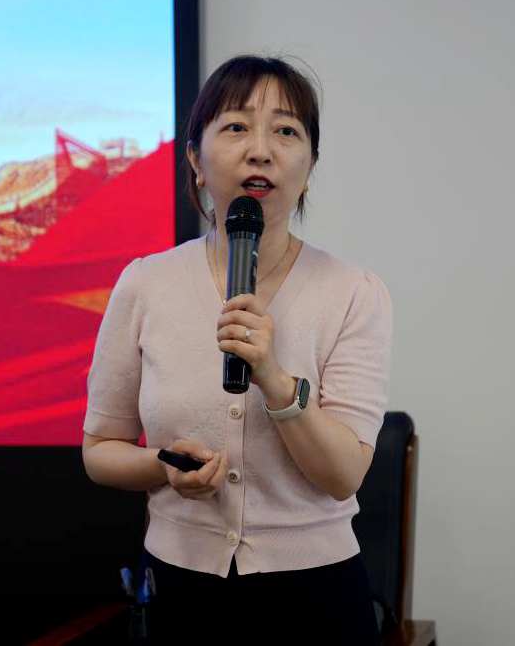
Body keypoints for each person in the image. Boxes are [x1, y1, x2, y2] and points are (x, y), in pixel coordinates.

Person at [82, 55, 392, 644]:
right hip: (181, 592)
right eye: (236, 127)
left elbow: (344, 475)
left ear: (310, 166)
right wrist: (163, 467)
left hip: (318, 596)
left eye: (286, 131)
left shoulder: (355, 292)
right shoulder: (145, 283)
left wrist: (273, 377)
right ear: (196, 160)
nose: (260, 151)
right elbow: (100, 451)